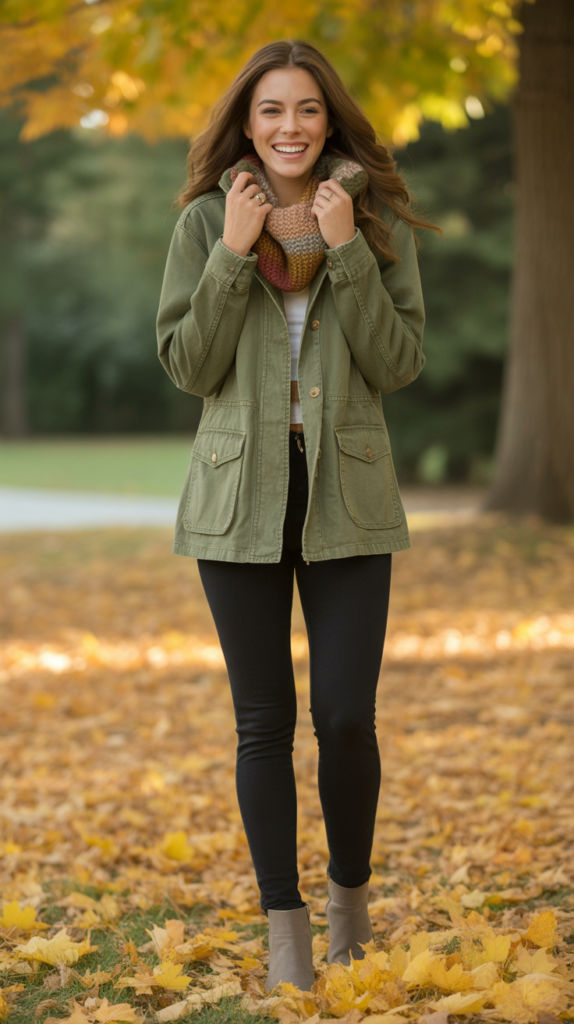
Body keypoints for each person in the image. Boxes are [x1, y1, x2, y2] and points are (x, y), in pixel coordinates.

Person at [157, 38, 436, 993]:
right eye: (271, 110)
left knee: (347, 718)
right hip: (239, 499)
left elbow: (399, 365)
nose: (289, 128)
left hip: (346, 495)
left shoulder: (373, 220)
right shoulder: (204, 222)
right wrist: (233, 256)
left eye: (307, 110)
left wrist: (350, 247)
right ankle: (286, 924)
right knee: (263, 723)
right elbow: (188, 368)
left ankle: (351, 899)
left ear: (330, 120)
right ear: (247, 122)